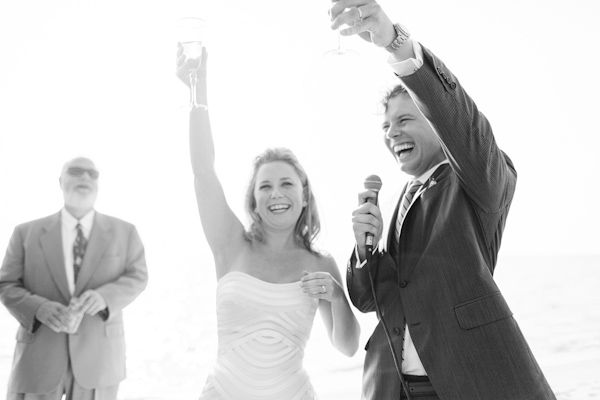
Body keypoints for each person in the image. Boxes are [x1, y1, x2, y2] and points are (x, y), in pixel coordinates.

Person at [331, 1, 557, 399]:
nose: (392, 133)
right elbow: (370, 301)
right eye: (386, 126)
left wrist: (394, 44)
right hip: (393, 388)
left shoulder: (475, 179)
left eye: (405, 120)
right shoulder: (401, 198)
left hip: (471, 384)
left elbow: (460, 122)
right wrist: (366, 249)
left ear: (435, 125)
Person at [175, 45, 360, 400]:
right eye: (266, 186)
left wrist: (338, 296)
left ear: (304, 196)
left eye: (287, 184)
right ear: (254, 201)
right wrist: (197, 89)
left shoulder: (320, 263)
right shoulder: (230, 244)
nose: (277, 194)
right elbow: (203, 171)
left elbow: (348, 347)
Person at [0, 157, 148, 400]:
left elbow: (138, 276)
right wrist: (39, 308)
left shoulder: (126, 231)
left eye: (92, 174)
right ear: (61, 181)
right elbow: (6, 284)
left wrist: (104, 297)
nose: (85, 177)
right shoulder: (25, 232)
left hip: (99, 360)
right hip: (37, 359)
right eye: (76, 171)